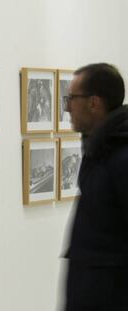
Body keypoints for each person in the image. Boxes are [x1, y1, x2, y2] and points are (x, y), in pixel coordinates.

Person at [62, 63, 128, 310]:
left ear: (94, 103)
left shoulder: (121, 156)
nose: (67, 107)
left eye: (72, 99)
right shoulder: (99, 150)